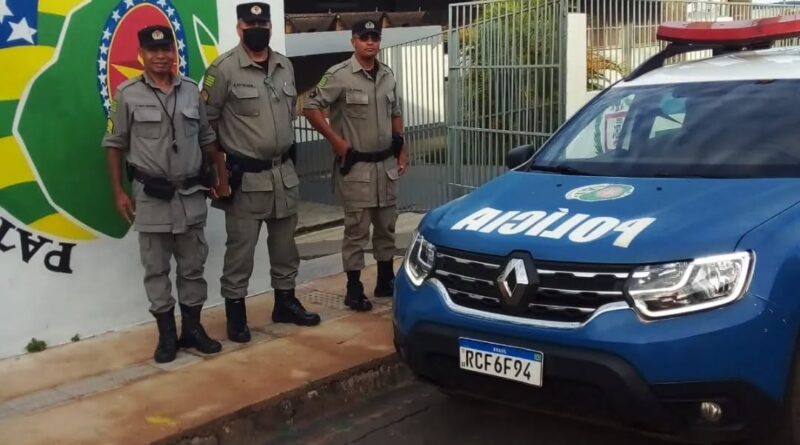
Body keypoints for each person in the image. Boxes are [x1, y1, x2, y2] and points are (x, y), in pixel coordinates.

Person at [202, 2, 320, 344]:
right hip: (245, 178)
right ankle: (236, 315)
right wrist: (219, 176)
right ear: (239, 28)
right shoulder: (222, 69)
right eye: (250, 22)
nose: (257, 27)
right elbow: (207, 126)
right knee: (241, 250)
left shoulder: (284, 65)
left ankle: (285, 302)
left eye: (263, 22)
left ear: (269, 26)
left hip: (283, 173)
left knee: (285, 247)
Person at [103, 25, 223, 363]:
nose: (160, 56)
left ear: (174, 52)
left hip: (191, 194)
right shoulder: (127, 94)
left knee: (192, 267)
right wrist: (119, 193)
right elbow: (113, 145)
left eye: (166, 49)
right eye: (153, 50)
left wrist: (218, 175)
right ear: (142, 55)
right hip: (152, 196)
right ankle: (167, 337)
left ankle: (193, 330)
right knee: (156, 269)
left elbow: (205, 137)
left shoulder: (189, 91)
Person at [303, 19, 408, 312]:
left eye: (375, 37)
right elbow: (309, 107)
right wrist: (335, 140)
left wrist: (403, 149)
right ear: (353, 42)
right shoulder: (338, 75)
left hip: (385, 163)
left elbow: (396, 113)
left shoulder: (387, 74)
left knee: (387, 225)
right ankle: (353, 288)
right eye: (364, 38)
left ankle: (386, 279)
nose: (370, 42)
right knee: (357, 231)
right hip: (357, 168)